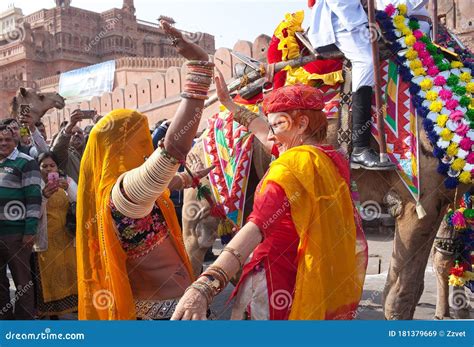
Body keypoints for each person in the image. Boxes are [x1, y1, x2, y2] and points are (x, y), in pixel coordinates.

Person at [171, 83, 368, 320]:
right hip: (314, 281)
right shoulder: (331, 160)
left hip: (274, 283)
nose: (272, 134)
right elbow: (263, 133)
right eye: (271, 125)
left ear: (303, 124)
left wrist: (205, 285)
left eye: (278, 124)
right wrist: (230, 104)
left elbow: (254, 230)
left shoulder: (288, 169)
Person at [76, 20, 215, 320]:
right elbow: (171, 153)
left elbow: (157, 188)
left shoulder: (122, 194)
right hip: (167, 316)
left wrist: (183, 180)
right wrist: (201, 68)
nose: (147, 148)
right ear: (123, 145)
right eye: (141, 138)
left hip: (168, 309)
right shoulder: (122, 197)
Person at [307, 0, 396, 170]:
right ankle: (360, 148)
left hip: (357, 17)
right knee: (366, 61)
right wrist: (363, 24)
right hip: (342, 21)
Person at [0, 125, 42, 320]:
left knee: (22, 282)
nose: (3, 143)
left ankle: (23, 326)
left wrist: (30, 231)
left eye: (7, 140)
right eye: (0, 140)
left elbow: (34, 198)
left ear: (15, 141)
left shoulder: (25, 162)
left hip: (16, 235)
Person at [32, 152, 78, 319]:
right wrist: (44, 196)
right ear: (38, 169)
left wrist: (69, 189)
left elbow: (80, 203)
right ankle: (52, 314)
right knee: (49, 276)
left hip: (67, 238)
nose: (49, 169)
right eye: (44, 166)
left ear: (57, 168)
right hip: (46, 241)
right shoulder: (35, 186)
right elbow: (33, 213)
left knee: (71, 273)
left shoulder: (68, 183)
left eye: (52, 166)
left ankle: (75, 308)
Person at [50, 110, 85, 182]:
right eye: (72, 133)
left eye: (79, 132)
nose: (76, 134)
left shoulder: (90, 151)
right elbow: (58, 148)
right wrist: (70, 124)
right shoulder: (66, 155)